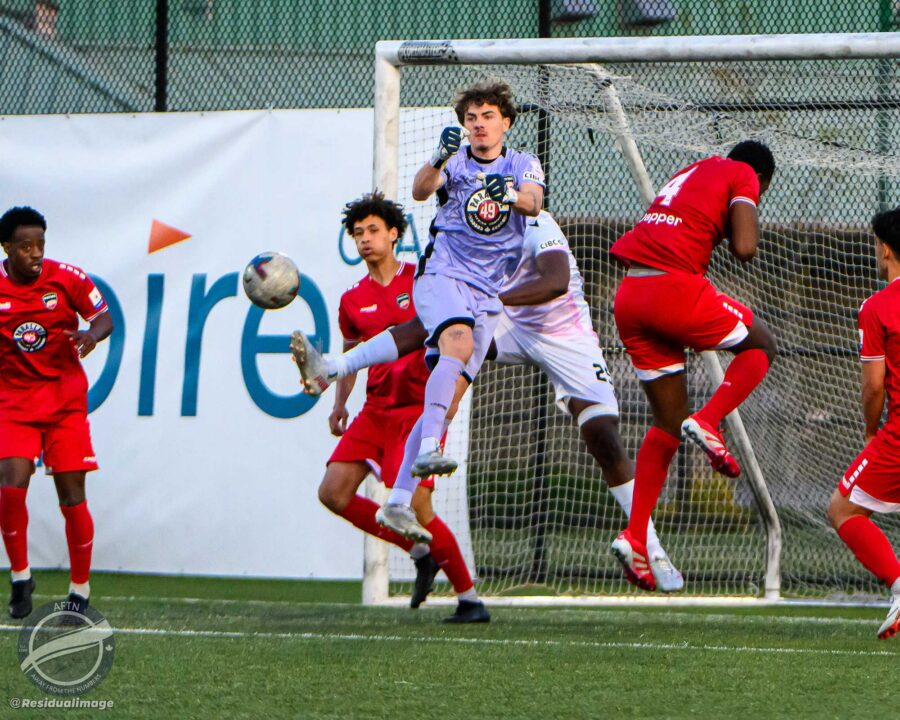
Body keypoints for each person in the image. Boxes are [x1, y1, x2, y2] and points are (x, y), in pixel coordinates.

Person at [294, 210, 684, 592]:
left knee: (602, 433)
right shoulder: (462, 232)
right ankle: (334, 374)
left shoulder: (536, 221)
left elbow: (555, 281)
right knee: (438, 344)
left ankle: (647, 544)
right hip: (504, 324)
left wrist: (488, 296)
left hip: (564, 333)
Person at [291, 192, 488, 623]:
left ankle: (470, 598)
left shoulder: (423, 281)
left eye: (373, 230)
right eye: (358, 233)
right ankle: (419, 552)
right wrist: (340, 405)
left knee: (419, 509)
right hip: (376, 411)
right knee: (333, 492)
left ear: (395, 234)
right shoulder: (352, 299)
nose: (365, 239)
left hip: (417, 413)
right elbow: (351, 354)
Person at [377, 81, 545, 542]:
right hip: (445, 274)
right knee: (458, 342)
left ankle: (396, 501)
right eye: (471, 118)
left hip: (489, 292)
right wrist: (436, 157)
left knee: (447, 404)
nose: (479, 125)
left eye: (487, 116)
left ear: (505, 122)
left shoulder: (522, 163)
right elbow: (417, 191)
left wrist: (507, 194)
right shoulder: (454, 159)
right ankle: (430, 447)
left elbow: (533, 201)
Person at [609, 141, 777, 591]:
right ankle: (708, 419)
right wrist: (747, 209)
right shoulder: (744, 174)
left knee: (666, 422)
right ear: (761, 179)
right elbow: (745, 247)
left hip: (629, 297)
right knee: (762, 345)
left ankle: (636, 534)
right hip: (674, 290)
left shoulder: (695, 168)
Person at [0, 206, 113, 618]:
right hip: (13, 402)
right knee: (11, 486)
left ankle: (79, 591)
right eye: (26, 246)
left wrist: (91, 335)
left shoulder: (67, 278)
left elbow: (103, 316)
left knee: (71, 495)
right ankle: (20, 577)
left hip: (64, 402)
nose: (35, 253)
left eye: (40, 245)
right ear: (6, 248)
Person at [827, 207, 900, 640]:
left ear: (886, 248)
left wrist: (871, 431)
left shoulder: (878, 307)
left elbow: (873, 387)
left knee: (843, 509)